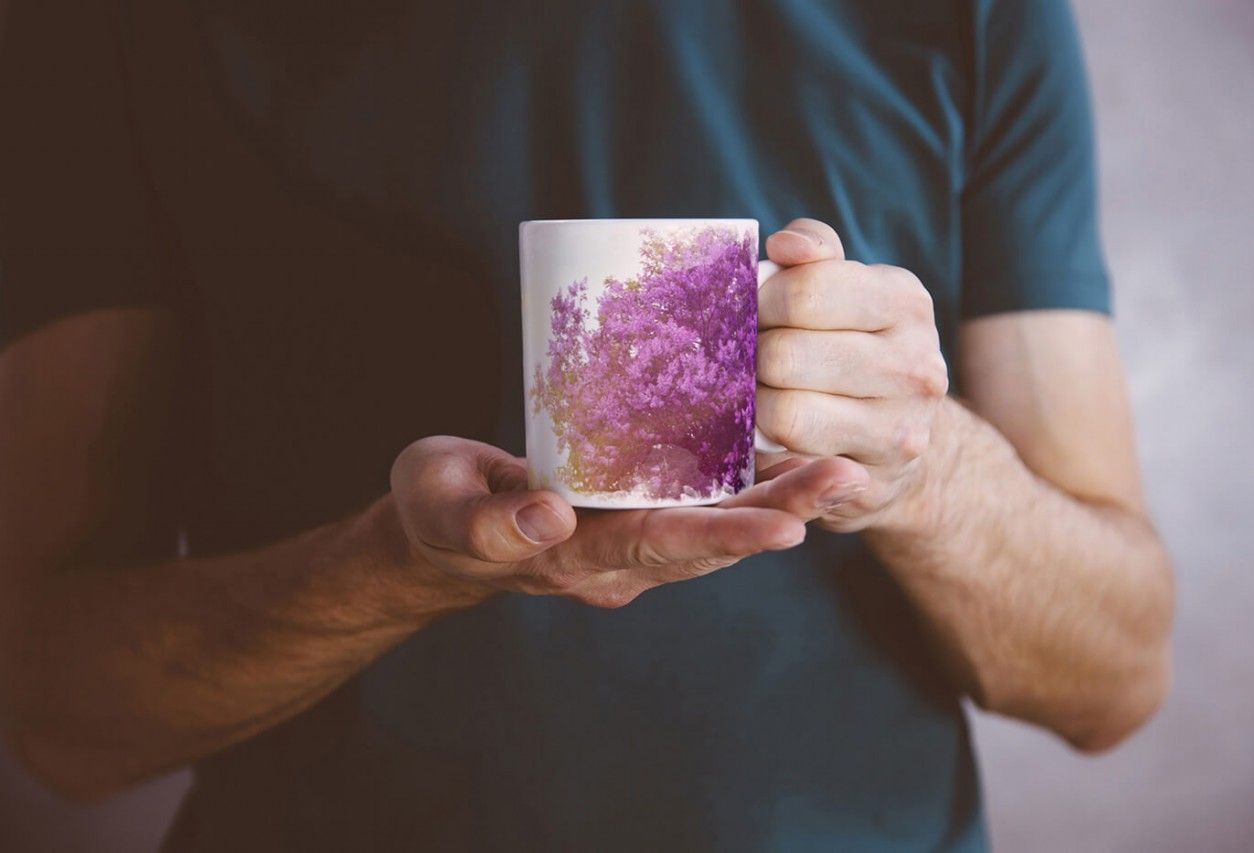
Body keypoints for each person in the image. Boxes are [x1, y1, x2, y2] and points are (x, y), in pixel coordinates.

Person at [0, 0, 1173, 849]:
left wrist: (927, 473)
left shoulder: (976, 13)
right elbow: (56, 721)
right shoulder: (115, 27)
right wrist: (392, 570)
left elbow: (1111, 680)